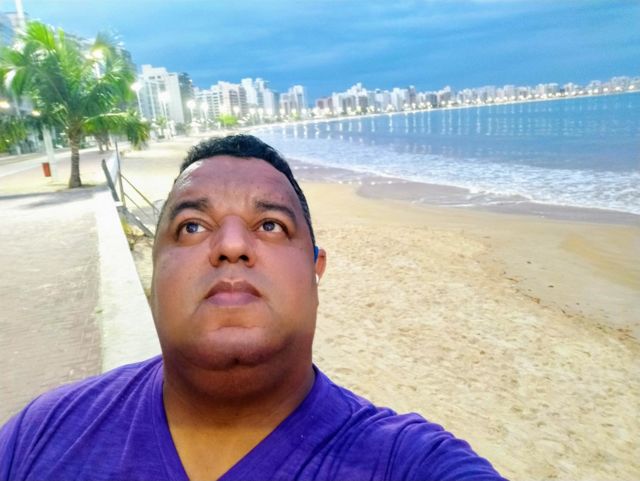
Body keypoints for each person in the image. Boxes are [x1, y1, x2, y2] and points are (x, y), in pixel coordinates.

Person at [0, 135, 506, 481]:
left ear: (315, 270)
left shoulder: (407, 462)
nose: (231, 245)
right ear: (154, 271)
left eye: (270, 225)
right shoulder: (39, 437)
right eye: (192, 227)